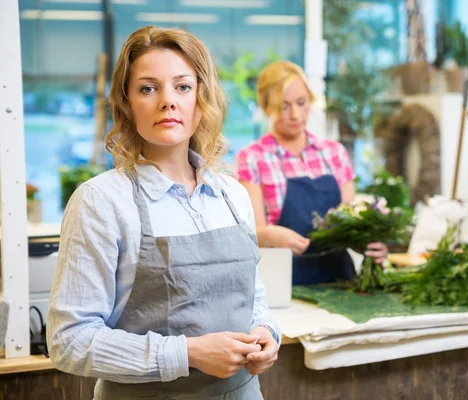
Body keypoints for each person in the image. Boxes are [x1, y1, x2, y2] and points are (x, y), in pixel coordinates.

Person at [47, 26, 279, 400]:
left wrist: (266, 333)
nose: (168, 101)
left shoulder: (232, 194)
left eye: (183, 87)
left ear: (201, 99)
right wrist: (187, 354)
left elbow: (253, 300)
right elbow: (68, 341)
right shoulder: (101, 201)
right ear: (126, 103)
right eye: (148, 88)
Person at [235, 61, 387, 285]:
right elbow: (251, 232)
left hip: (340, 280)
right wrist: (271, 235)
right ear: (267, 107)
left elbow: (349, 222)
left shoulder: (334, 153)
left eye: (301, 102)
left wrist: (368, 242)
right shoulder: (252, 158)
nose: (295, 115)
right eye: (284, 106)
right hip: (284, 281)